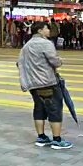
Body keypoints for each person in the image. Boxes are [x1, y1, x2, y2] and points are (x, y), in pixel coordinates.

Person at [17, 21, 72, 150]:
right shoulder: (46, 43)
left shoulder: (27, 45)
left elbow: (19, 63)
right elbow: (55, 61)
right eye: (47, 28)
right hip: (47, 83)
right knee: (54, 109)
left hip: (33, 84)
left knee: (39, 109)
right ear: (40, 30)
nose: (49, 30)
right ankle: (57, 140)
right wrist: (60, 60)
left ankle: (41, 137)